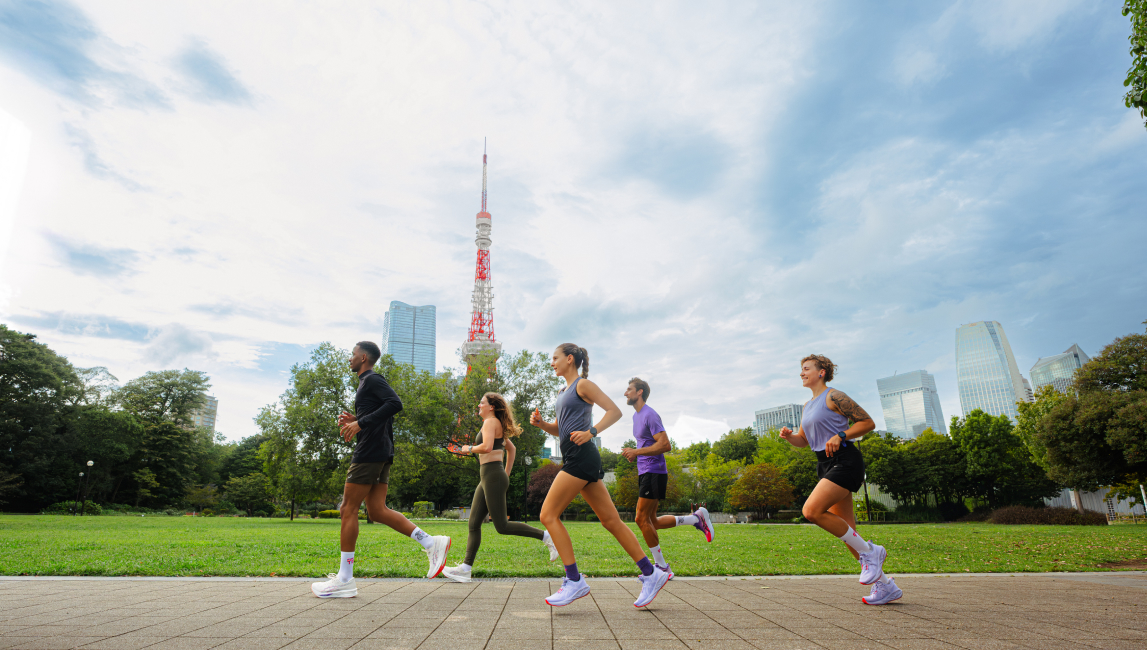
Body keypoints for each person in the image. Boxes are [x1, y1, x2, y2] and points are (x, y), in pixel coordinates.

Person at [530, 344, 670, 608]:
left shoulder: (583, 385)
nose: (552, 363)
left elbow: (614, 411)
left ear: (569, 359)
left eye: (555, 358)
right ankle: (652, 574)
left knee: (547, 515)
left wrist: (591, 432)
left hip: (582, 457)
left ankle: (573, 580)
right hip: (576, 456)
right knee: (611, 520)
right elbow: (560, 430)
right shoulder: (563, 391)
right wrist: (541, 425)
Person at [310, 341, 451, 598]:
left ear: (363, 357)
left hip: (370, 452)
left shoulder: (372, 379)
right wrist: (356, 420)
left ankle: (344, 579)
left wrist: (360, 423)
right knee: (377, 510)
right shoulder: (366, 384)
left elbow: (395, 404)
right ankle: (431, 542)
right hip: (381, 450)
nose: (349, 359)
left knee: (347, 509)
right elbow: (382, 413)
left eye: (352, 355)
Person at [779, 354, 902, 605]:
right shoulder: (807, 405)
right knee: (849, 534)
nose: (801, 373)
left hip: (845, 460)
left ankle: (872, 552)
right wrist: (789, 436)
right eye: (801, 370)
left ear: (821, 372)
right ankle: (885, 586)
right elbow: (804, 441)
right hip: (824, 463)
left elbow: (868, 422)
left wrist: (841, 435)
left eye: (806, 369)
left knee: (811, 510)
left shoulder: (834, 396)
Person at [441, 392, 556, 582]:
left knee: (501, 525)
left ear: (491, 406)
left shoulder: (490, 422)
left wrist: (468, 449)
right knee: (473, 523)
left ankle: (546, 537)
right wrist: (506, 474)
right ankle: (465, 569)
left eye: (481, 402)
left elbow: (486, 447)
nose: (479, 405)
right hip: (490, 476)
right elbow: (511, 449)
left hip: (493, 475)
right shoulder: (495, 424)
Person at [621, 377, 714, 579]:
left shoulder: (649, 414)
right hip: (646, 471)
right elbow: (647, 445)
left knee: (640, 518)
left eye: (629, 390)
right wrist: (634, 454)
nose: (625, 393)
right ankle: (695, 519)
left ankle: (662, 567)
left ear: (639, 392)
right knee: (651, 520)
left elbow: (665, 445)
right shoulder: (636, 417)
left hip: (654, 471)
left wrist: (636, 452)